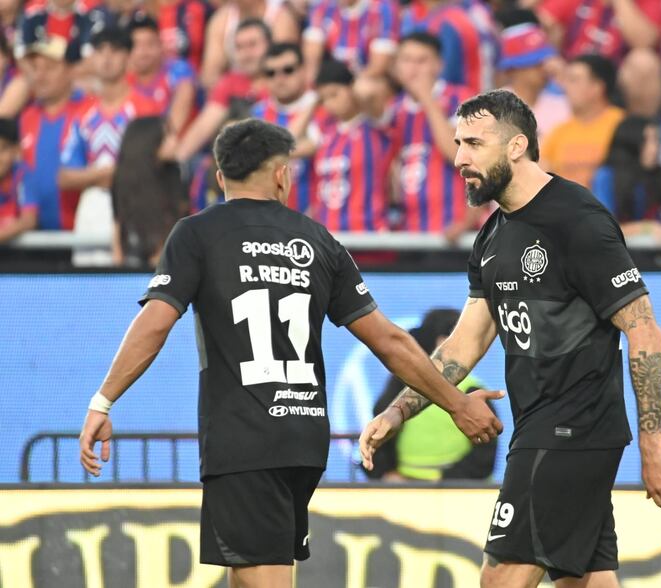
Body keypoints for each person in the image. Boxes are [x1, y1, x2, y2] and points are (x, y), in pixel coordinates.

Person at [78, 118, 503, 588]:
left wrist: (103, 400)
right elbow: (390, 341)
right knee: (250, 571)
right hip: (303, 439)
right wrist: (457, 402)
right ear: (282, 174)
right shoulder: (319, 240)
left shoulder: (197, 234)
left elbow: (154, 323)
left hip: (243, 440)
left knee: (264, 574)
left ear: (220, 178)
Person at [360, 89, 661, 587]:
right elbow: (462, 345)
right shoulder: (493, 235)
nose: (460, 158)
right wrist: (398, 411)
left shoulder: (577, 220)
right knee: (586, 580)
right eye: (457, 143)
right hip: (543, 429)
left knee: (500, 579)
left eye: (474, 143)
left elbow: (644, 330)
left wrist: (653, 443)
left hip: (569, 433)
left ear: (516, 147)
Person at [59, 24, 160, 265]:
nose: (107, 58)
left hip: (136, 206)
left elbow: (153, 169)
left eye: (114, 51)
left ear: (127, 56)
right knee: (87, 287)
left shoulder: (146, 109)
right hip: (93, 205)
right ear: (92, 58)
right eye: (100, 51)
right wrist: (104, 175)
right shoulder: (81, 113)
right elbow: (64, 177)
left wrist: (102, 175)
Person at [367, 307, 497, 482]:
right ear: (442, 342)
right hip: (408, 490)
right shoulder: (400, 387)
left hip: (458, 493)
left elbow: (484, 456)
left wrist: (445, 481)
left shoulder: (472, 390)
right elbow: (378, 437)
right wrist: (387, 473)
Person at [388, 31, 479, 239]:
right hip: (407, 235)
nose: (413, 68)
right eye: (406, 60)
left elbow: (459, 155)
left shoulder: (463, 99)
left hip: (453, 235)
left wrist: (427, 99)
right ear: (396, 66)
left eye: (422, 60)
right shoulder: (394, 109)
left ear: (438, 65)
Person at [592, 116, 661, 265]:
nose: (655, 148)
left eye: (656, 140)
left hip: (654, 256)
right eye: (647, 141)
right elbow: (604, 228)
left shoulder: (660, 174)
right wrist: (645, 228)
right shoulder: (606, 176)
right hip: (617, 263)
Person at [175, 18, 271, 162]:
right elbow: (203, 126)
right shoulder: (230, 82)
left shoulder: (285, 77)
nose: (246, 53)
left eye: (252, 45)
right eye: (239, 47)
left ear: (270, 45)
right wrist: (177, 161)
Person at [18, 37, 88, 233]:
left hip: (81, 234)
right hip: (32, 237)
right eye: (34, 68)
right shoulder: (26, 117)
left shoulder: (88, 111)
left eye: (49, 68)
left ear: (70, 70)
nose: (39, 76)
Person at [313, 59, 391, 231]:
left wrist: (355, 81)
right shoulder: (325, 131)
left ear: (351, 89)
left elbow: (369, 92)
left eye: (334, 94)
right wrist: (313, 102)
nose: (328, 104)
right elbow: (290, 145)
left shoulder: (375, 123)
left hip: (369, 236)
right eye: (323, 99)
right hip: (331, 241)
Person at [250, 42, 324, 214]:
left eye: (288, 70)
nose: (279, 78)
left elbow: (318, 145)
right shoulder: (257, 114)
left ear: (303, 70)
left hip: (318, 218)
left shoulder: (323, 108)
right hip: (272, 221)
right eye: (271, 73)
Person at [540, 53, 625, 188]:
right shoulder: (559, 131)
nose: (566, 87)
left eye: (574, 80)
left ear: (597, 88)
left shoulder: (621, 125)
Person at [111, 116, 186, 267]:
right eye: (167, 136)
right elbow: (119, 225)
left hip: (169, 266)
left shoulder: (175, 176)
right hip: (133, 265)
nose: (174, 141)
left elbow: (180, 219)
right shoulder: (124, 181)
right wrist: (117, 270)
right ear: (148, 142)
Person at [126, 14, 196, 139]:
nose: (143, 52)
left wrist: (166, 140)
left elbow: (181, 105)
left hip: (177, 146)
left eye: (150, 44)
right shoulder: (124, 78)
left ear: (160, 45)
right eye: (136, 45)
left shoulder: (178, 69)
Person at [302, 0, 400, 80]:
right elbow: (311, 59)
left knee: (365, 89)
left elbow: (379, 66)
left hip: (366, 77)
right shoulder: (323, 7)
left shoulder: (384, 8)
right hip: (333, 77)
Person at [0, 118, 31, 243]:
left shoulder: (25, 175)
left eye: (3, 150)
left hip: (24, 258)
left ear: (16, 150)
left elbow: (28, 221)